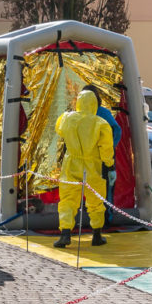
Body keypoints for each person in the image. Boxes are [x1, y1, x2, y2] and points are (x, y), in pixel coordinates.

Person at [53, 87, 115, 248]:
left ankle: (65, 234)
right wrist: (109, 165)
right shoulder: (101, 123)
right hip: (92, 165)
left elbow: (59, 130)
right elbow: (106, 148)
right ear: (94, 104)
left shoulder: (66, 118)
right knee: (95, 201)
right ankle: (97, 235)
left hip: (71, 163)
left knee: (67, 200)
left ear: (78, 102)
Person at [84, 85, 121, 225]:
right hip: (102, 158)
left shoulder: (77, 115)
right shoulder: (103, 113)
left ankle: (101, 217)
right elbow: (117, 131)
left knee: (93, 188)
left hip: (88, 159)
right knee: (104, 189)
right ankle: (103, 220)